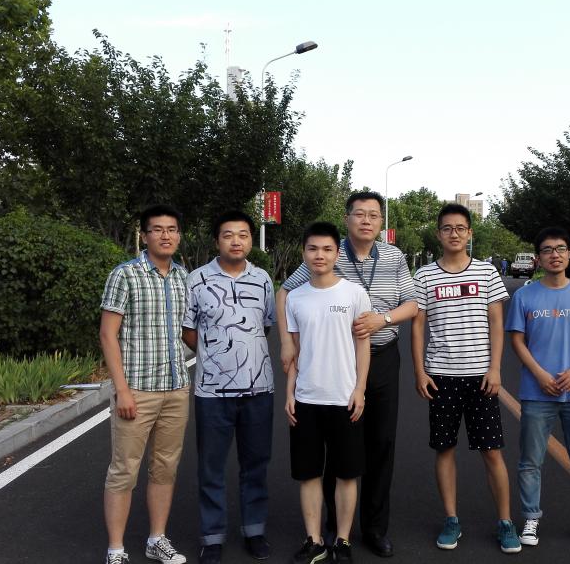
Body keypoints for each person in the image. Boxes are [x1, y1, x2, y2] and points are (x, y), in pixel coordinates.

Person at [277, 191, 418, 558]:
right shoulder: (327, 250)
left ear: (381, 221)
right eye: (359, 214)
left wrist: (382, 319)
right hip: (333, 361)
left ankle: (374, 528)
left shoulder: (394, 256)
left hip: (381, 356)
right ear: (347, 218)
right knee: (335, 444)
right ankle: (329, 529)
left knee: (381, 442)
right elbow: (287, 293)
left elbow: (413, 303)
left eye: (373, 214)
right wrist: (287, 342)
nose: (366, 220)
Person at [411, 204, 521, 554]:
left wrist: (495, 368)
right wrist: (420, 371)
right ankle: (451, 519)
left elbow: (496, 323)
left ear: (470, 233)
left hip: (480, 378)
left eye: (460, 228)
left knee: (492, 452)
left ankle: (505, 522)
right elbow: (417, 326)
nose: (454, 233)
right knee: (444, 450)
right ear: (439, 234)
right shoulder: (425, 276)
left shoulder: (487, 272)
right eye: (447, 228)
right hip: (441, 377)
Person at [505, 226, 570, 550]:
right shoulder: (525, 296)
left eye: (560, 248)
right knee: (530, 461)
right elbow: (517, 341)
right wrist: (539, 374)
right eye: (547, 250)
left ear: (569, 255)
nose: (555, 254)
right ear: (538, 258)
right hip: (536, 392)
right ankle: (531, 518)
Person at [181, 210, 275, 564]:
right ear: (216, 240)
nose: (236, 241)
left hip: (258, 388)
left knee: (256, 464)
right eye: (228, 235)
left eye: (243, 234)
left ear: (251, 240)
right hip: (212, 392)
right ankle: (212, 536)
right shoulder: (197, 280)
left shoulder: (263, 279)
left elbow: (265, 325)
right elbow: (189, 330)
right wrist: (215, 356)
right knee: (211, 467)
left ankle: (254, 530)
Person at [100, 204, 190, 564]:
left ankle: (157, 539)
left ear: (179, 235)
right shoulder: (125, 274)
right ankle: (116, 549)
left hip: (176, 388)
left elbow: (189, 332)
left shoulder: (184, 277)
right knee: (124, 470)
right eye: (157, 229)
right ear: (144, 235)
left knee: (165, 467)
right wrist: (121, 389)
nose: (165, 235)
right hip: (136, 389)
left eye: (171, 229)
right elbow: (108, 335)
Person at [284, 221, 372, 564]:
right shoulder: (295, 297)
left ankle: (343, 541)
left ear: (337, 253)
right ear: (303, 252)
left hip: (344, 399)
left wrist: (360, 389)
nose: (319, 255)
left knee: (346, 474)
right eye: (312, 249)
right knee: (308, 473)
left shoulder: (354, 294)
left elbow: (362, 346)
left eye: (326, 249)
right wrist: (290, 394)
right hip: (306, 399)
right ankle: (314, 540)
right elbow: (296, 351)